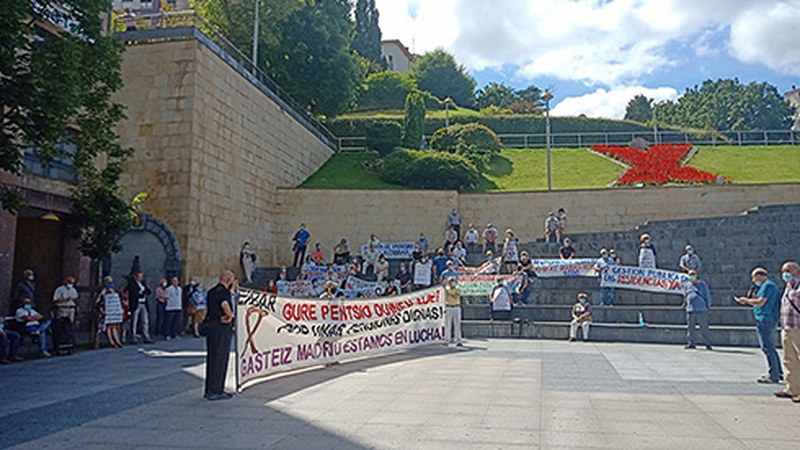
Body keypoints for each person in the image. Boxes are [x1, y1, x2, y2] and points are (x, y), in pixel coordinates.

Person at [735, 268, 782, 383]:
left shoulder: (768, 286)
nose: (753, 280)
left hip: (766, 318)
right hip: (764, 317)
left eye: (753, 277)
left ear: (759, 275)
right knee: (769, 346)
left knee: (767, 347)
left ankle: (773, 374)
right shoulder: (766, 286)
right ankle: (777, 371)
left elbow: (761, 302)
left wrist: (746, 300)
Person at [204, 270, 236, 401]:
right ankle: (217, 390)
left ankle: (209, 389)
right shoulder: (224, 292)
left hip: (211, 326)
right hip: (221, 327)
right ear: (228, 280)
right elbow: (224, 304)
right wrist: (230, 315)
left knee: (212, 358)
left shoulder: (211, 291)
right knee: (220, 359)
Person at [773, 261, 800, 402]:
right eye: (783, 271)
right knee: (789, 360)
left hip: (798, 328)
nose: (785, 274)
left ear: (797, 271)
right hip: (787, 327)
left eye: (788, 271)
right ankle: (792, 388)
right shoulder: (788, 286)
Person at [683, 270, 712, 350]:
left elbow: (707, 295)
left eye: (693, 274)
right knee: (690, 328)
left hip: (701, 309)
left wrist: (708, 306)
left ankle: (707, 343)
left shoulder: (702, 284)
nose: (691, 276)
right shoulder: (687, 285)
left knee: (704, 328)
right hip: (690, 309)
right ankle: (691, 343)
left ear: (696, 275)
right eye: (690, 274)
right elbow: (686, 295)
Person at [127, 272, 154, 344]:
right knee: (134, 321)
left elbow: (148, 291)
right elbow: (132, 293)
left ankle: (146, 336)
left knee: (145, 321)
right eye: (139, 276)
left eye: (141, 277)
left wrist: (144, 292)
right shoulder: (132, 284)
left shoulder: (143, 284)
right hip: (136, 303)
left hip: (143, 303)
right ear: (136, 277)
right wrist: (139, 293)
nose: (141, 278)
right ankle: (133, 337)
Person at [98, 277, 124, 349]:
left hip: (115, 311)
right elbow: (100, 301)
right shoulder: (104, 291)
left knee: (114, 326)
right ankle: (111, 341)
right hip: (108, 311)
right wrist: (101, 310)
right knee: (109, 326)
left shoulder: (115, 291)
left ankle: (117, 341)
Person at [444, 278, 463, 347]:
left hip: (456, 306)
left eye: (453, 281)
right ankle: (447, 340)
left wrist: (449, 292)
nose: (452, 283)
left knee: (457, 325)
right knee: (447, 324)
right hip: (448, 307)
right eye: (451, 281)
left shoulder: (457, 288)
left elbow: (455, 296)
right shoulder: (446, 288)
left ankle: (458, 340)